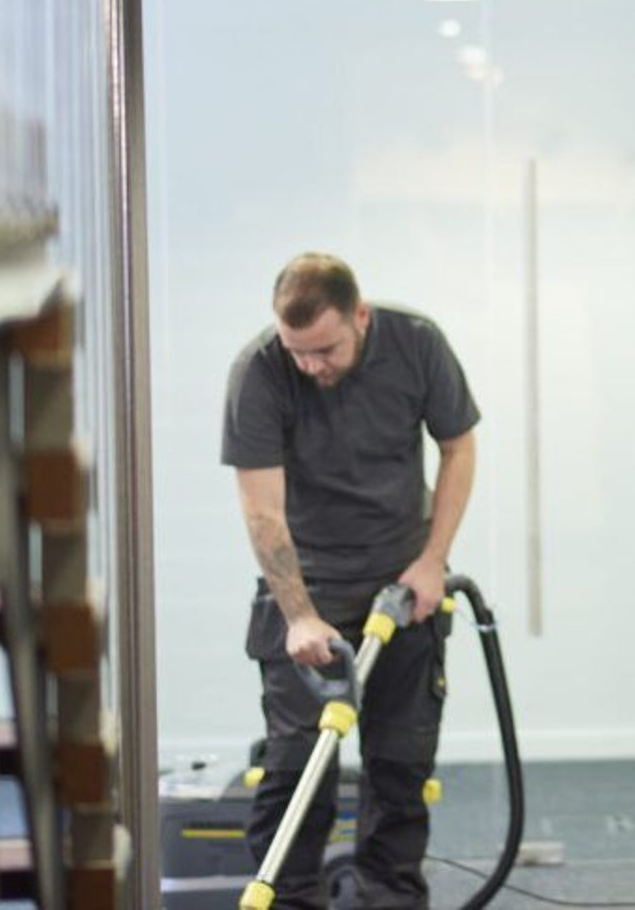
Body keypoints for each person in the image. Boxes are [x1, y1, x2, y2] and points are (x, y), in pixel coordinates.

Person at [222, 252, 480, 910]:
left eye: (325, 349)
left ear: (360, 317)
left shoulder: (417, 346)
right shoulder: (260, 371)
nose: (311, 366)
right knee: (295, 771)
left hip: (405, 584)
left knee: (400, 768)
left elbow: (458, 447)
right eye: (297, 351)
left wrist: (433, 560)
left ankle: (388, 900)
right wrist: (300, 614)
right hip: (306, 588)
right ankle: (292, 902)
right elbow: (262, 509)